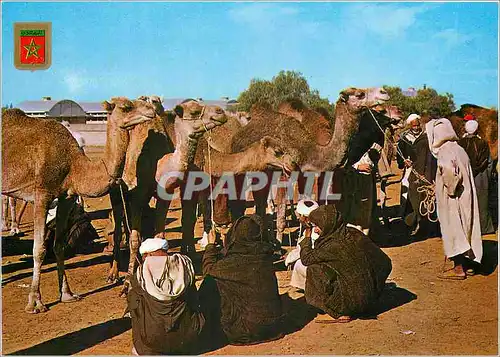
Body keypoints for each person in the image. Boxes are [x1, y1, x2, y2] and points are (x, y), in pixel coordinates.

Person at [199, 214, 284, 346]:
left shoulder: (235, 261)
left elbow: (209, 270)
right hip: (273, 328)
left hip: (245, 332)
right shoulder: (264, 254)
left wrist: (210, 247)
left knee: (210, 282)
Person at [299, 204, 392, 323]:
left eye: (317, 226)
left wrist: (306, 239)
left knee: (314, 269)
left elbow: (306, 259)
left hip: (353, 303)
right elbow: (385, 262)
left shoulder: (333, 245)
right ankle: (361, 299)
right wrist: (375, 286)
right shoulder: (353, 233)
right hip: (371, 301)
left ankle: (338, 312)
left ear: (327, 225)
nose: (315, 230)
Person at [127, 238, 205, 355]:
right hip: (188, 340)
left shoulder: (139, 276)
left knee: (133, 298)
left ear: (148, 255)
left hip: (151, 344)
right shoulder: (185, 266)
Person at [426, 118, 482, 280]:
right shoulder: (458, 148)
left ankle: (458, 268)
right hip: (465, 195)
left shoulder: (444, 151)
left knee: (454, 228)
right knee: (466, 225)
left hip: (453, 197)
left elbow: (450, 172)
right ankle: (469, 265)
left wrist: (449, 189)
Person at [397, 114, 437, 236]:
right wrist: (403, 161)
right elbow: (399, 156)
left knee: (425, 196)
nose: (415, 127)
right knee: (407, 195)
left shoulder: (427, 137)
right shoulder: (404, 138)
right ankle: (408, 222)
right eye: (413, 125)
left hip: (424, 171)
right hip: (410, 170)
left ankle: (424, 223)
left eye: (417, 124)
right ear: (410, 125)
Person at [458, 118, 495, 234]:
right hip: (481, 178)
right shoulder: (483, 143)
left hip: (464, 177)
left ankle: (465, 228)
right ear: (477, 130)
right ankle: (484, 229)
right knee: (482, 203)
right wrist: (487, 178)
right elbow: (489, 163)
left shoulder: (459, 143)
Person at [284, 199, 319, 291]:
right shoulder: (315, 227)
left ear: (305, 218)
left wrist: (288, 259)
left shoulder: (313, 232)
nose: (298, 218)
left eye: (299, 216)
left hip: (320, 266)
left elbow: (302, 251)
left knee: (299, 264)